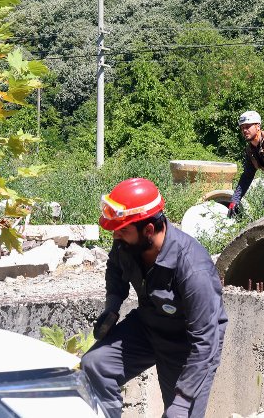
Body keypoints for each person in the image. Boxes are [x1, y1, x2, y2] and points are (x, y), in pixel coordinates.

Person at [81, 178, 227, 418]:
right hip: (149, 326)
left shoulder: (193, 268)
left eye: (123, 229)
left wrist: (184, 398)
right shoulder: (127, 245)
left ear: (148, 230)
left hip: (189, 344)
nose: (116, 236)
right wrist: (112, 307)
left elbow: (205, 341)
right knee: (96, 366)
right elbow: (115, 269)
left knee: (178, 414)